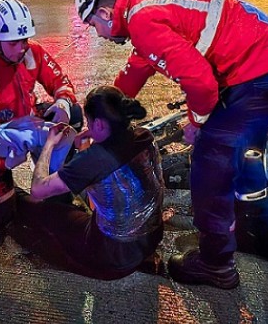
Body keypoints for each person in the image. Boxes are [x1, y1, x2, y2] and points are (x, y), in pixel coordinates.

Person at [75, 0, 268, 289]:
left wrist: (197, 122)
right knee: (245, 154)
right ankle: (265, 236)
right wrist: (99, 121)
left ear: (106, 13)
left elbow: (201, 85)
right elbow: (134, 74)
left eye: (92, 23)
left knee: (210, 165)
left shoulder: (142, 21)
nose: (96, 32)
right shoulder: (145, 8)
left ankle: (216, 264)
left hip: (257, 74)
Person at [11, 85, 164, 280]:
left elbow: (38, 189)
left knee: (45, 210)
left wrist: (49, 144)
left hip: (113, 256)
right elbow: (112, 159)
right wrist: (92, 138)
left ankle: (9, 196)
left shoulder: (93, 160)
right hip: (151, 239)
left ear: (99, 124)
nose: (88, 128)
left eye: (90, 124)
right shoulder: (143, 135)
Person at [0, 0, 78, 231]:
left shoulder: (32, 52)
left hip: (27, 121)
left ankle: (56, 182)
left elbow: (60, 81)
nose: (21, 48)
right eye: (13, 43)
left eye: (24, 40)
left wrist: (63, 102)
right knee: (0, 217)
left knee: (74, 115)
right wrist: (0, 161)